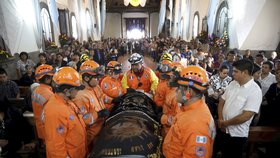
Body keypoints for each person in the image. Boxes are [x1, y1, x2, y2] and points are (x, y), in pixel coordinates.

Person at [163, 66, 216, 158]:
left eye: (178, 89)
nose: (176, 92)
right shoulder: (189, 108)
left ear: (189, 92)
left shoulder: (196, 124)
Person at [216, 59, 262, 158]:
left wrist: (225, 123)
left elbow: (246, 116)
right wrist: (221, 119)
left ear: (245, 73)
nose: (233, 74)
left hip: (237, 135)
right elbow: (222, 101)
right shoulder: (233, 84)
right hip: (223, 129)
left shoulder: (255, 90)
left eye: (235, 71)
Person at [43, 67, 87, 158]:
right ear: (66, 91)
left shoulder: (68, 101)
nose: (78, 91)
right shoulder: (55, 111)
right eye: (77, 89)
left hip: (79, 152)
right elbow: (55, 147)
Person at [74, 60, 110, 149]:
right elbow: (83, 121)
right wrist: (98, 114)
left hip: (102, 127)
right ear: (86, 78)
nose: (99, 80)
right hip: (92, 135)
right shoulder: (80, 96)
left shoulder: (95, 86)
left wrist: (113, 100)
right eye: (96, 78)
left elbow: (102, 97)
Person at [32, 64, 54, 143]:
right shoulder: (49, 94)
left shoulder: (36, 90)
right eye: (52, 77)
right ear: (47, 79)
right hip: (48, 127)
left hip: (40, 126)